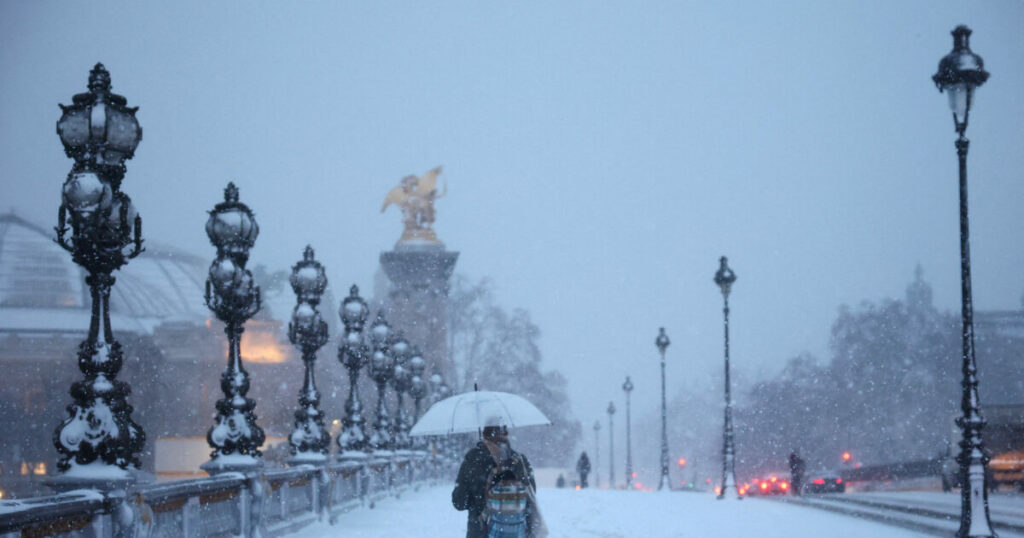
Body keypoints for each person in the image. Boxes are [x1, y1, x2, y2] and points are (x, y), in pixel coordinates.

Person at [452, 424, 546, 538]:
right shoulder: (520, 460)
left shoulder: (472, 459)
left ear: (483, 434)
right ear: (506, 433)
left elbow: (459, 503)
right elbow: (531, 494)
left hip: (479, 532)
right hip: (516, 532)